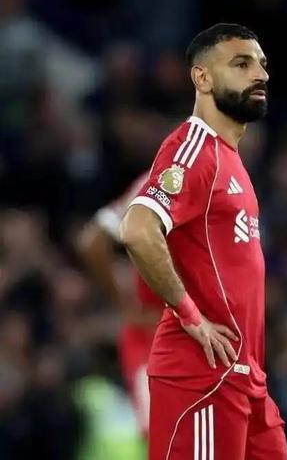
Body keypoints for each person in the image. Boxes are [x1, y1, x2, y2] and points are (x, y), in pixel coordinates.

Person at [119, 23, 287, 460]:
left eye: (262, 65)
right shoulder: (193, 148)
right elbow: (138, 229)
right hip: (202, 376)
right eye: (242, 64)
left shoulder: (229, 159)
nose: (261, 74)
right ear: (203, 77)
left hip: (245, 376)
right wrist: (190, 315)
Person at [76, 171, 162, 436]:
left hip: (154, 332)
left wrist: (124, 304)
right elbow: (91, 243)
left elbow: (92, 242)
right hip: (168, 333)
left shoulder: (151, 182)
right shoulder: (169, 184)